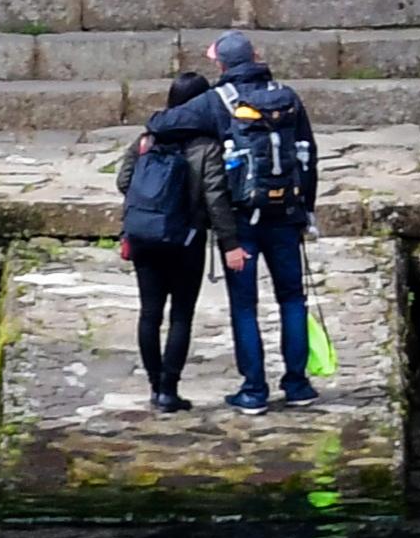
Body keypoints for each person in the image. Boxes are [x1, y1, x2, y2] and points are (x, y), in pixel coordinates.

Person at [146, 33, 319, 410]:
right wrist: (306, 210)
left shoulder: (216, 102)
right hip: (287, 214)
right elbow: (308, 154)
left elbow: (159, 123)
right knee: (292, 298)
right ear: (255, 57)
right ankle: (297, 385)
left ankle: (254, 390)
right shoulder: (288, 97)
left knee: (245, 306)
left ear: (222, 66)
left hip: (242, 220)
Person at [115, 88, 212, 409]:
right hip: (187, 240)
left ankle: (154, 385)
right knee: (181, 315)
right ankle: (170, 390)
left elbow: (123, 181)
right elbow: (215, 195)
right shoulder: (205, 144)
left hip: (145, 235)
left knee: (149, 313)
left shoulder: (146, 140)